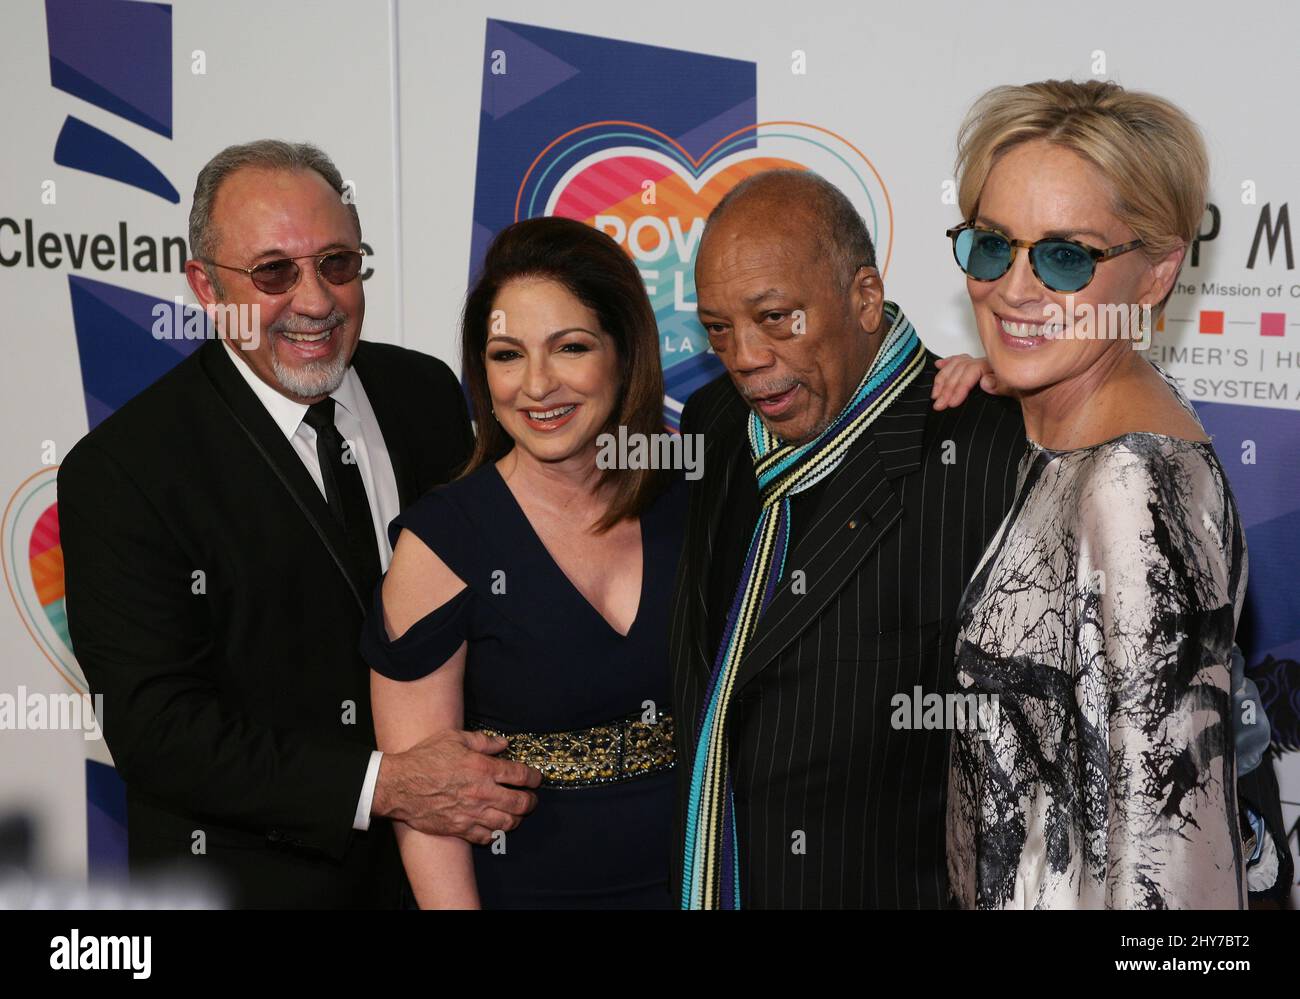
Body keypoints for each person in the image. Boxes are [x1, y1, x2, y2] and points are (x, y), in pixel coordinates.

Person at [59, 140, 539, 908]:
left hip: (456, 874)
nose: (316, 301)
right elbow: (158, 729)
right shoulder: (124, 470)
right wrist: (385, 784)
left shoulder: (427, 394)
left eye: (338, 263)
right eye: (275, 271)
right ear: (206, 287)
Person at [938, 79, 1288, 908]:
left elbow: (1172, 862)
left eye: (1065, 256)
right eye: (993, 245)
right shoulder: (1073, 426)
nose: (1015, 289)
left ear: (1156, 273)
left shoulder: (1130, 488)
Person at [671, 168, 1028, 909]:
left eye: (775, 318)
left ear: (864, 298)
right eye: (717, 327)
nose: (743, 357)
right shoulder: (712, 423)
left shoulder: (991, 449)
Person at [362, 217, 685, 909]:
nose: (537, 385)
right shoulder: (442, 543)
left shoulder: (695, 501)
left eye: (569, 347)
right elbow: (429, 810)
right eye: (507, 355)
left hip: (702, 881)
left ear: (623, 354)